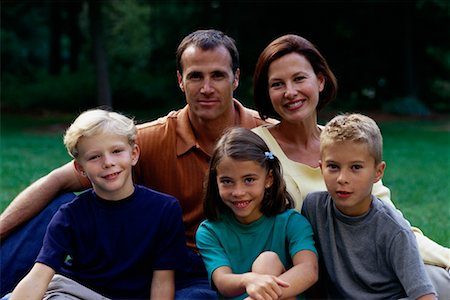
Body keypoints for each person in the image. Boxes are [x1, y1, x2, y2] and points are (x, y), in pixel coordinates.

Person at [0, 29, 271, 299]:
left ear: (236, 78)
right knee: (57, 206)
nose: (207, 88)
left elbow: (312, 141)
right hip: (144, 262)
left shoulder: (267, 137)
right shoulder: (146, 140)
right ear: (180, 80)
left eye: (218, 76)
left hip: (209, 268)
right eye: (195, 76)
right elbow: (57, 180)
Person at [251, 34, 450, 298]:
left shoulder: (345, 142)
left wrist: (445, 256)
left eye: (299, 78)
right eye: (277, 84)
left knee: (435, 278)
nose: (290, 92)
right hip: (302, 277)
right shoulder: (257, 147)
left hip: (372, 273)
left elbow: (391, 224)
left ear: (320, 81)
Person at [10, 109, 187, 299]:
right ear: (80, 168)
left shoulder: (164, 209)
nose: (108, 162)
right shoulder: (70, 216)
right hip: (76, 292)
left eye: (117, 151)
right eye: (94, 157)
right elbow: (39, 276)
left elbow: (163, 281)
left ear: (134, 154)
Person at [301, 113, 436, 299]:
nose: (342, 179)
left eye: (356, 167)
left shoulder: (394, 230)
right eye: (333, 166)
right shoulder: (313, 208)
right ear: (321, 167)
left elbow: (425, 296)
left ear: (378, 172)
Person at [196, 127, 318, 300]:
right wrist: (248, 280)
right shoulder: (210, 231)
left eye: (249, 180)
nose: (238, 192)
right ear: (216, 182)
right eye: (227, 181)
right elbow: (222, 281)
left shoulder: (291, 222)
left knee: (267, 261)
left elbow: (308, 270)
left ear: (268, 179)